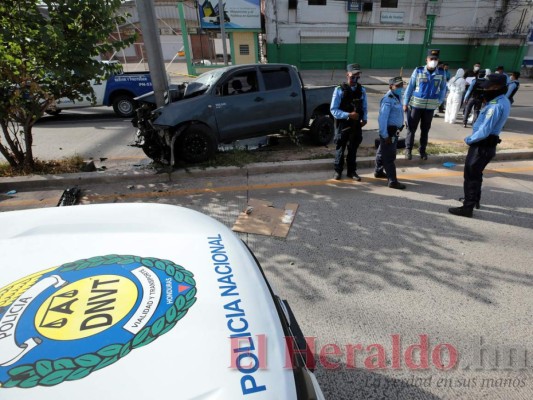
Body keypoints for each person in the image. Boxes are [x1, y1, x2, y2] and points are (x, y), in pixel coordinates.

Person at [449, 74, 511, 218]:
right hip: (487, 146)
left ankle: (467, 207)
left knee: (471, 176)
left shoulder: (495, 106)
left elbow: (484, 130)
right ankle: (474, 200)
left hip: (481, 146)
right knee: (477, 174)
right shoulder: (503, 100)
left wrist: (469, 139)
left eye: (488, 87)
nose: (486, 89)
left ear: (497, 87)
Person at [403, 49, 447, 160]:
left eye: (435, 59)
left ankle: (422, 150)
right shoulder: (418, 71)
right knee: (411, 128)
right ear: (426, 60)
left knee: (425, 130)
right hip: (416, 105)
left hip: (430, 107)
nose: (433, 61)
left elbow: (443, 89)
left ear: (438, 60)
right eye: (431, 59)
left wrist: (439, 102)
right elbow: (410, 87)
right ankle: (408, 149)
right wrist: (405, 102)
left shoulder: (441, 73)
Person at [331, 63, 368, 181]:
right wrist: (348, 115)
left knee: (353, 148)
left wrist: (365, 118)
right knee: (340, 148)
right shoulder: (339, 90)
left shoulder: (361, 90)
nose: (355, 79)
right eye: (353, 77)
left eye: (358, 77)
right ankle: (338, 171)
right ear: (347, 75)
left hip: (356, 124)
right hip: (343, 124)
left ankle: (352, 172)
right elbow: (333, 110)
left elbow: (365, 106)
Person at [374, 77, 406, 190]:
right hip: (389, 132)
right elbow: (382, 119)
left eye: (402, 85)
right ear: (390, 87)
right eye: (398, 86)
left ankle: (378, 171)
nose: (400, 88)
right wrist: (385, 135)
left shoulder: (398, 96)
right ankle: (392, 181)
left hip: (394, 131)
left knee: (382, 152)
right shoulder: (388, 99)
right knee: (389, 157)